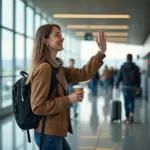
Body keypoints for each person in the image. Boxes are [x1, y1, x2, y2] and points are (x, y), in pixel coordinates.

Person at [26, 24, 106, 150]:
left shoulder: (57, 67)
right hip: (48, 134)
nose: (62, 38)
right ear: (45, 41)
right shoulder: (45, 68)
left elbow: (82, 73)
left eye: (62, 35)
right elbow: (37, 106)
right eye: (57, 35)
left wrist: (101, 52)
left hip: (54, 132)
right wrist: (68, 99)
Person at [116, 54, 141, 123]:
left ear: (126, 58)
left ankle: (127, 117)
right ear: (132, 58)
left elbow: (119, 76)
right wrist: (138, 87)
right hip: (133, 87)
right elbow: (138, 78)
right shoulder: (136, 67)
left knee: (126, 102)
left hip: (125, 87)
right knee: (132, 101)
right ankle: (132, 113)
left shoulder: (123, 66)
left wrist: (116, 84)